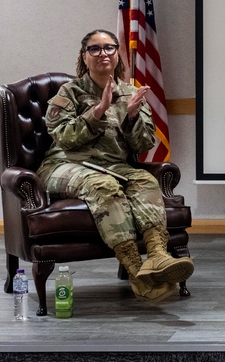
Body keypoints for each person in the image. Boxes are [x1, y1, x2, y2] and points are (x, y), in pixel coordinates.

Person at [37, 29, 194, 302]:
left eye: (109, 48)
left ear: (117, 54)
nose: (103, 54)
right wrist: (98, 110)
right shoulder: (69, 92)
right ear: (84, 57)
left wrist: (132, 116)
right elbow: (65, 138)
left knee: (145, 180)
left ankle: (157, 256)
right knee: (103, 185)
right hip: (66, 165)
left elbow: (144, 145)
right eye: (94, 49)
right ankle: (136, 272)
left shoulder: (131, 93)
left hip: (113, 165)